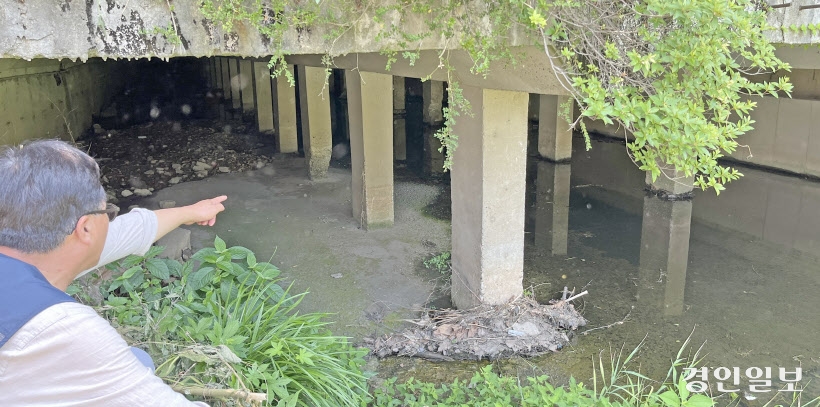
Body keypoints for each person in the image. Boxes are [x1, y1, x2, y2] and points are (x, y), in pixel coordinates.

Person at [0, 139, 227, 406]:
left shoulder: (30, 252)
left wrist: (189, 212)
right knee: (139, 362)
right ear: (85, 228)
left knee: (139, 360)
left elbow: (124, 233)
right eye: (108, 211)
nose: (111, 220)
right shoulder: (59, 329)